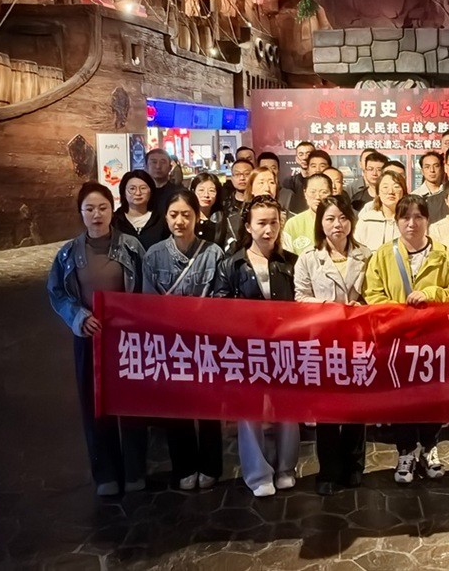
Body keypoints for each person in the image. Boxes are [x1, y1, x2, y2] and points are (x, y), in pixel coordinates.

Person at [47, 182, 148, 496]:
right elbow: (57, 292)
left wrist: (136, 319)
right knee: (95, 404)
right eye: (89, 209)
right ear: (80, 213)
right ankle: (106, 473)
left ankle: (134, 470)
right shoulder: (68, 253)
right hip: (89, 338)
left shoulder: (132, 247)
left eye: (102, 207)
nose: (96, 214)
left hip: (127, 340)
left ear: (112, 209)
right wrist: (79, 317)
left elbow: (146, 288)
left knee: (131, 403)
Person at [364, 195, 449, 483]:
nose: (412, 223)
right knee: (402, 398)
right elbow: (373, 294)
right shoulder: (383, 255)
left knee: (432, 397)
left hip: (433, 340)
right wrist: (399, 313)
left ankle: (429, 449)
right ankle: (406, 452)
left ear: (428, 220)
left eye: (418, 217)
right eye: (405, 217)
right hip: (398, 340)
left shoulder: (442, 254)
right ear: (396, 221)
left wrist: (431, 294)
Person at [213, 196, 300, 497]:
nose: (268, 229)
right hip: (245, 348)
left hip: (284, 346)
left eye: (274, 222)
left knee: (288, 407)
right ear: (248, 226)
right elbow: (220, 307)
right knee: (248, 411)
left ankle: (286, 468)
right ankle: (258, 473)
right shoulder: (231, 264)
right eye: (261, 223)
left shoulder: (291, 262)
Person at [142, 190, 224, 490]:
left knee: (209, 407)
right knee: (177, 406)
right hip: (171, 344)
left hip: (206, 342)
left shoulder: (213, 253)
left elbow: (221, 296)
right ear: (165, 217)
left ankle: (211, 465)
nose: (180, 221)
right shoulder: (153, 255)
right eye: (174, 215)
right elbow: (148, 301)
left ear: (197, 216)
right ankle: (184, 467)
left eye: (186, 215)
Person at [294, 195, 372, 495]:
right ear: (320, 223)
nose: (337, 224)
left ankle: (354, 466)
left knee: (356, 406)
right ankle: (328, 470)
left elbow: (374, 292)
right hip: (323, 342)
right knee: (326, 409)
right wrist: (331, 307)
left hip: (357, 340)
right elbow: (300, 298)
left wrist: (361, 306)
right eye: (330, 218)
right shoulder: (308, 258)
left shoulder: (366, 255)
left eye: (342, 217)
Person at [113, 170, 169, 250]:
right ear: (124, 192)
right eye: (132, 189)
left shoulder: (162, 219)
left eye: (143, 188)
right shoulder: (114, 220)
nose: (138, 193)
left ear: (151, 191)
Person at [355, 170, 407, 251]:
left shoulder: (410, 221)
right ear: (378, 192)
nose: (391, 191)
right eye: (385, 187)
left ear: (404, 191)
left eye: (396, 187)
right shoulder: (366, 220)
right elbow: (356, 250)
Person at [282, 173, 333, 254]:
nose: (317, 197)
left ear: (331, 193)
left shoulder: (339, 222)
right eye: (313, 192)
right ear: (305, 193)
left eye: (324, 192)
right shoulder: (293, 224)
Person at [191, 172, 228, 248]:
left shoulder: (224, 219)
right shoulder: (187, 217)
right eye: (201, 190)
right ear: (193, 191)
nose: (206, 195)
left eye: (211, 191)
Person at [282, 141, 316, 213]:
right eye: (301, 154)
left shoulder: (321, 181)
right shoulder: (289, 182)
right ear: (296, 159)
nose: (304, 158)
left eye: (308, 154)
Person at [146, 148, 182, 214]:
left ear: (170, 167)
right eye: (154, 162)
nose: (158, 166)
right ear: (146, 166)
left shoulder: (180, 193)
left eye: (163, 162)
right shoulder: (141, 193)